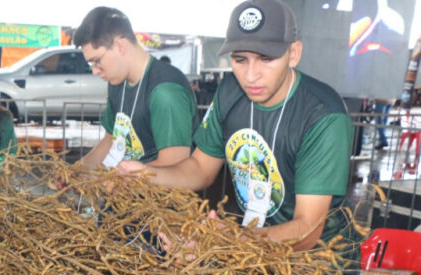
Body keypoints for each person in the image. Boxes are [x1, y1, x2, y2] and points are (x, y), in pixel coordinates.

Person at [118, 0, 352, 254]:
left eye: (266, 59)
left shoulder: (322, 115)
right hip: (249, 257)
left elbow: (307, 231)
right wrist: (145, 175)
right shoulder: (230, 91)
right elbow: (200, 168)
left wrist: (226, 241)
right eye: (240, 60)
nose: (251, 75)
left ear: (293, 53)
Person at [71, 7, 198, 170]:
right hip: (125, 191)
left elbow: (174, 166)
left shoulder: (165, 91)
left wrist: (117, 181)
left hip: (157, 194)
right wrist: (76, 171)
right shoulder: (116, 82)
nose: (95, 71)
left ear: (119, 46)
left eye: (97, 61)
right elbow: (110, 140)